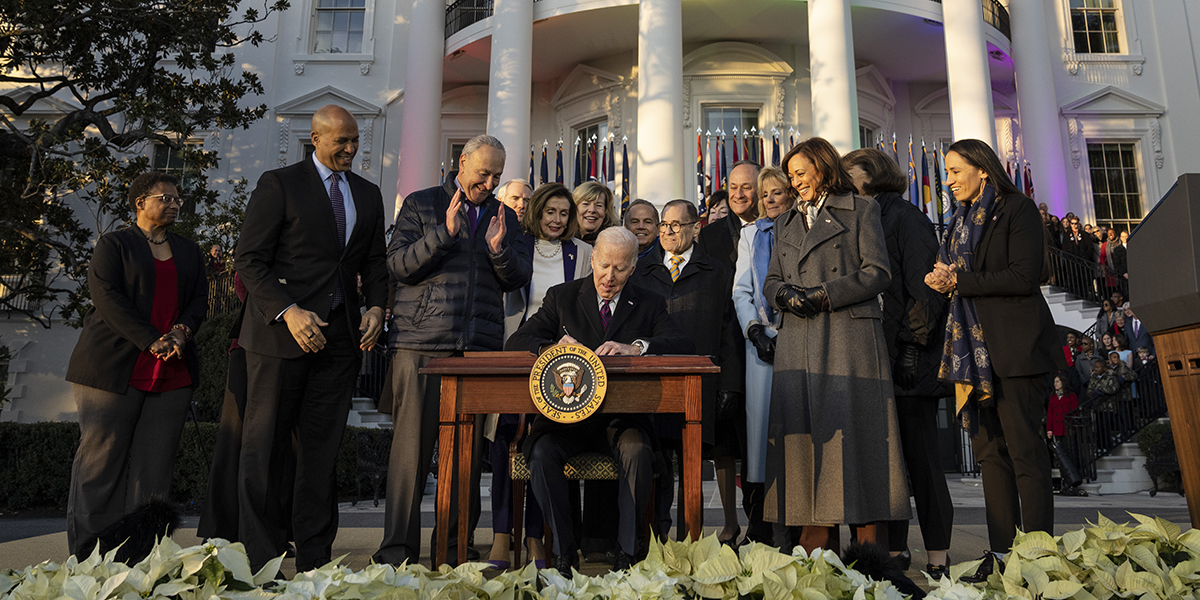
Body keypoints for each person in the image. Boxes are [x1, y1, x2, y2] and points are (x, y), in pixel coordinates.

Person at [230, 105, 389, 571]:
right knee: (265, 450)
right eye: (341, 140)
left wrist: (377, 307)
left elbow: (374, 264)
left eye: (355, 139)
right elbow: (249, 260)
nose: (351, 148)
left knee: (320, 455)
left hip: (339, 344)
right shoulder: (279, 184)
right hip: (280, 340)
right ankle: (259, 561)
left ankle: (315, 561)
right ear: (315, 138)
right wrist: (287, 311)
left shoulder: (369, 193)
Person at [378, 134, 532, 567]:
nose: (490, 182)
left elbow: (518, 276)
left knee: (464, 460)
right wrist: (442, 236)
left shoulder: (506, 217)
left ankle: (453, 550)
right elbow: (398, 265)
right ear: (461, 162)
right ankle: (396, 554)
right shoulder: (421, 203)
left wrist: (500, 251)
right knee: (410, 456)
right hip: (420, 346)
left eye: (497, 176)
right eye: (483, 173)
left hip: (477, 352)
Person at [505, 227, 695, 573]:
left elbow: (682, 343)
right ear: (592, 259)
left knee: (639, 452)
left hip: (622, 421)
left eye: (620, 269)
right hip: (567, 420)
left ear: (633, 267)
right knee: (542, 453)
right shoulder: (562, 297)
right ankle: (563, 554)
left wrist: (636, 347)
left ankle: (626, 555)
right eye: (604, 265)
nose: (609, 277)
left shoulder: (649, 301)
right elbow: (518, 341)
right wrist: (551, 348)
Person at [925, 138, 1065, 582]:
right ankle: (1002, 557)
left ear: (982, 169)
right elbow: (955, 275)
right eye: (945, 173)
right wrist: (940, 277)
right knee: (991, 458)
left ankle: (1038, 558)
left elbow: (1024, 277)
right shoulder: (957, 222)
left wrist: (959, 281)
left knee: (1026, 456)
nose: (947, 181)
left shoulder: (1016, 209)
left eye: (954, 171)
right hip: (972, 357)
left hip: (1017, 351)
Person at [763, 137, 910, 553]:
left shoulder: (863, 209)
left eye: (801, 173)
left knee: (860, 441)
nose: (795, 182)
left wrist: (825, 294)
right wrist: (784, 296)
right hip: (799, 339)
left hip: (849, 338)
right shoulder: (785, 220)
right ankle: (816, 555)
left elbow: (878, 272)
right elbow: (772, 279)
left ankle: (871, 555)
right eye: (791, 176)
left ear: (824, 168)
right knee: (810, 443)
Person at [64, 172, 208, 557]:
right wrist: (150, 339)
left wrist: (180, 333)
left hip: (172, 370)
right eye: (166, 197)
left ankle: (143, 554)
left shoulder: (189, 250)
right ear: (140, 202)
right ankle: (87, 554)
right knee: (101, 462)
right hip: (112, 367)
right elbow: (107, 298)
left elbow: (198, 302)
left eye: (179, 198)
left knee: (155, 469)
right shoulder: (115, 244)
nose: (175, 203)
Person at [842, 148, 952, 578]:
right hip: (872, 359)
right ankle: (895, 549)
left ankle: (939, 554)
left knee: (921, 461)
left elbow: (925, 288)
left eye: (847, 173)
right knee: (883, 463)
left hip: (909, 361)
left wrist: (911, 345)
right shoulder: (857, 216)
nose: (840, 180)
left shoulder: (905, 217)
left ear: (870, 175)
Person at [629, 199, 743, 545]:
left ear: (697, 227)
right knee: (658, 464)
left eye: (676, 225)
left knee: (693, 466)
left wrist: (730, 385)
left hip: (702, 385)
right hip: (655, 383)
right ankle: (657, 540)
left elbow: (730, 333)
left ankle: (691, 539)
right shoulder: (642, 270)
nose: (667, 231)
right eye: (664, 224)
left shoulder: (718, 272)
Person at [491, 183, 592, 569]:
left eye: (564, 213)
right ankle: (502, 534)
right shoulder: (519, 246)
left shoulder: (583, 252)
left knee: (539, 447)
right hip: (516, 352)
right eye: (550, 211)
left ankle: (535, 537)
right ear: (537, 212)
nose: (556, 219)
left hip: (560, 363)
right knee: (504, 440)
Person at [731, 165, 795, 548]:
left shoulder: (804, 228)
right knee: (759, 441)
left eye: (777, 192)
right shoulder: (750, 234)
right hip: (761, 344)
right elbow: (741, 289)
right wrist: (753, 329)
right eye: (765, 193)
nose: (770, 200)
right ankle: (761, 526)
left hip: (801, 339)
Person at [696, 161, 760, 270]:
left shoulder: (778, 228)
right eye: (733, 187)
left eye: (746, 187)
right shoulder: (708, 236)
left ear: (761, 190)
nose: (739, 195)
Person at [1046, 375, 1078, 439]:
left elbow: (1075, 412)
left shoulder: (1072, 396)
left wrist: (1073, 427)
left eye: (1057, 381)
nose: (1055, 384)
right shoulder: (1053, 397)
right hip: (1056, 428)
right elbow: (1050, 414)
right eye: (1054, 382)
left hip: (1067, 427)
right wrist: (1049, 430)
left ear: (1063, 382)